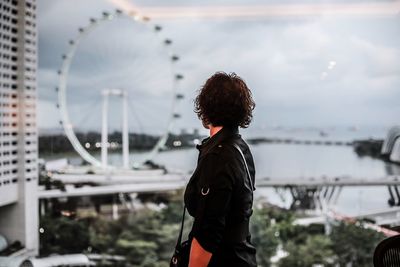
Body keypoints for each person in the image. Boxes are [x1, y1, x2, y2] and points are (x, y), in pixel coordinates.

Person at [184, 72, 257, 267]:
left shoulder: (218, 157)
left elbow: (208, 232)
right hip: (243, 257)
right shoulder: (241, 149)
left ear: (205, 108)